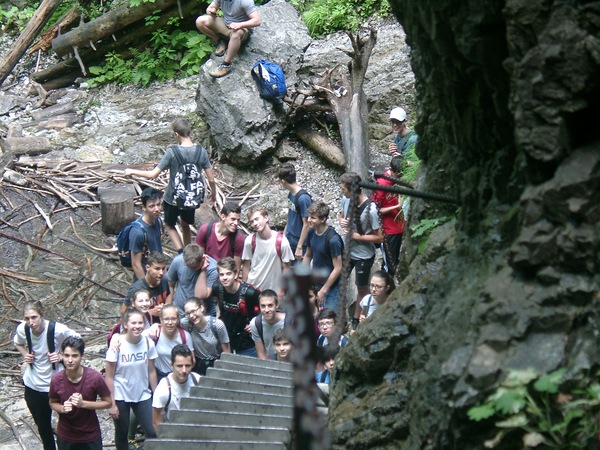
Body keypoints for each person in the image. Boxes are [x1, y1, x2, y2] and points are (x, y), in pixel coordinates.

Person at [124, 118, 216, 252]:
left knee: (169, 225)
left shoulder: (172, 152)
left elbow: (153, 174)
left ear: (176, 134)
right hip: (191, 198)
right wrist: (213, 194)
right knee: (185, 224)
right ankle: (188, 252)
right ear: (189, 132)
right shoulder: (201, 151)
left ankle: (180, 252)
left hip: (172, 198)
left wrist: (132, 171)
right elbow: (211, 179)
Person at [13, 301, 80, 450]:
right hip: (33, 384)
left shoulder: (57, 330)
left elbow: (78, 341)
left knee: (69, 422)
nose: (31, 322)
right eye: (27, 318)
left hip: (57, 383)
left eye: (34, 317)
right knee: (42, 425)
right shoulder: (23, 329)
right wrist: (26, 355)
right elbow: (17, 342)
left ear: (42, 315)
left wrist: (62, 356)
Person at [105, 308, 158, 450]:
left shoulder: (148, 343)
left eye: (140, 323)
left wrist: (157, 395)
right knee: (122, 433)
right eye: (133, 323)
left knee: (152, 431)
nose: (137, 326)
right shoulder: (117, 345)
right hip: (121, 394)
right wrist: (111, 404)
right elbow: (109, 376)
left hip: (142, 393)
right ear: (125, 325)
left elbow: (151, 370)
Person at [49, 336, 112, 450]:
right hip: (66, 435)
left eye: (74, 356)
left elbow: (108, 402)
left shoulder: (94, 377)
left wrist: (83, 404)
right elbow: (52, 402)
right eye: (66, 355)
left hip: (90, 435)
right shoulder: (56, 379)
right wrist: (62, 408)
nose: (70, 360)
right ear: (62, 355)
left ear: (82, 356)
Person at [339, 172, 383, 329]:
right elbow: (341, 215)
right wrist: (343, 222)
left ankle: (356, 318)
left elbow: (380, 237)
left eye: (343, 188)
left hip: (363, 255)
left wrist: (358, 236)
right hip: (348, 250)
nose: (341, 191)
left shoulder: (371, 210)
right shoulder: (345, 199)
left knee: (362, 287)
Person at [196, 0, 262, 78]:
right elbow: (210, 8)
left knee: (236, 34)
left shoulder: (245, 1)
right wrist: (211, 11)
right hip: (227, 24)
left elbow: (257, 21)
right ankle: (221, 41)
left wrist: (240, 25)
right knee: (200, 21)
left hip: (242, 29)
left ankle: (226, 64)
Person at [242, 205, 294, 300]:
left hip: (273, 290)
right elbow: (246, 265)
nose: (255, 223)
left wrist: (281, 292)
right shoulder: (250, 241)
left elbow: (286, 268)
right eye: (252, 222)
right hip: (253, 289)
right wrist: (244, 288)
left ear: (266, 218)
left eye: (257, 219)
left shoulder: (282, 241)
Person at [212, 257, 261, 356]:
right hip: (226, 338)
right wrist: (218, 312)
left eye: (228, 274)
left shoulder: (250, 293)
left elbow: (267, 308)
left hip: (247, 341)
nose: (225, 277)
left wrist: (256, 322)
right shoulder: (217, 288)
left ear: (235, 274)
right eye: (222, 274)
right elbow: (218, 303)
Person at [303, 201, 343, 312]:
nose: (309, 220)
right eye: (309, 216)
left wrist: (323, 290)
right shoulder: (311, 232)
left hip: (332, 286)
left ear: (323, 219)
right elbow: (308, 255)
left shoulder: (333, 240)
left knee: (329, 315)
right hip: (316, 282)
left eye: (313, 218)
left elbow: (338, 268)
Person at [152, 344, 200, 434]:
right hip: (173, 433)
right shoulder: (163, 389)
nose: (184, 370)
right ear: (172, 365)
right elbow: (157, 422)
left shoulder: (197, 381)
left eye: (187, 365)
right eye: (179, 366)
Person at [372, 156, 406, 275]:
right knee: (389, 266)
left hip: (399, 226)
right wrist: (396, 207)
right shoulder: (382, 183)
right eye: (398, 175)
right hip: (388, 230)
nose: (400, 178)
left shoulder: (399, 179)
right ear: (391, 170)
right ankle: (384, 284)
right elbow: (375, 210)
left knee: (395, 261)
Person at [182, 297, 231, 375]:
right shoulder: (186, 324)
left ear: (201, 308)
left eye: (193, 311)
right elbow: (172, 322)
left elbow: (227, 353)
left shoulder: (217, 325)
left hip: (216, 363)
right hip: (198, 365)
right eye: (188, 313)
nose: (191, 316)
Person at [146, 304, 194, 381]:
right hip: (159, 375)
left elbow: (192, 360)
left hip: (180, 376)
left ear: (178, 320)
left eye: (173, 319)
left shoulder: (185, 336)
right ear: (161, 319)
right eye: (166, 319)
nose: (170, 322)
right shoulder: (154, 334)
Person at [167, 243, 217, 318]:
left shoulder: (212, 269)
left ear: (203, 258)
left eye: (195, 267)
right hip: (180, 312)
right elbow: (170, 285)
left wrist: (203, 271)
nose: (192, 269)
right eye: (189, 267)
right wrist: (168, 309)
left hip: (203, 315)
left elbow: (200, 296)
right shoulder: (178, 261)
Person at [195, 202, 245, 273]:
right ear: (223, 217)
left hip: (225, 274)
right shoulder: (205, 230)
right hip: (206, 270)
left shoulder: (238, 239)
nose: (236, 223)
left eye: (238, 220)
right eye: (233, 219)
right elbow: (198, 258)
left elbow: (236, 269)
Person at [276, 163, 312, 261]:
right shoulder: (291, 194)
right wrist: (284, 235)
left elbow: (307, 224)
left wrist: (299, 247)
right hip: (289, 237)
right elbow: (290, 215)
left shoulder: (303, 199)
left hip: (300, 242)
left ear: (283, 181)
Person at [128, 187, 164, 282]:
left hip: (158, 273)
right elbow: (136, 264)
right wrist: (145, 286)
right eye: (152, 206)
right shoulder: (137, 232)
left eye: (158, 204)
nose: (157, 209)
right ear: (144, 207)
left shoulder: (158, 221)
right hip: (145, 277)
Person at [122, 251, 172, 319]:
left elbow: (169, 294)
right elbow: (124, 313)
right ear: (148, 268)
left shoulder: (164, 281)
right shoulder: (136, 289)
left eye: (163, 269)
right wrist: (150, 313)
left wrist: (166, 307)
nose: (161, 272)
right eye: (157, 269)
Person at [250, 290, 286, 360]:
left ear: (277, 305)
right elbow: (261, 353)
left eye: (270, 305)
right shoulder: (256, 323)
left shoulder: (290, 321)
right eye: (263, 306)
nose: (266, 310)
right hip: (270, 360)